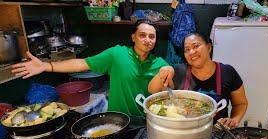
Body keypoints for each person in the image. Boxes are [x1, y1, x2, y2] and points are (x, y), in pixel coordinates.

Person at [11, 19, 174, 124]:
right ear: (133, 37)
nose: (147, 40)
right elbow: (82, 64)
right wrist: (47, 66)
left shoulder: (160, 64)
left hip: (145, 122)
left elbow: (168, 93)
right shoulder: (117, 54)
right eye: (142, 35)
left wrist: (170, 72)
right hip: (117, 120)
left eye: (151, 37)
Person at [149, 32, 248, 128]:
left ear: (209, 47)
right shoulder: (179, 71)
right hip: (183, 132)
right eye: (187, 49)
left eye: (196, 46)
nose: (191, 52)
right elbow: (152, 90)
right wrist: (163, 72)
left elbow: (240, 103)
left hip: (218, 133)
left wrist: (235, 119)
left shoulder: (227, 72)